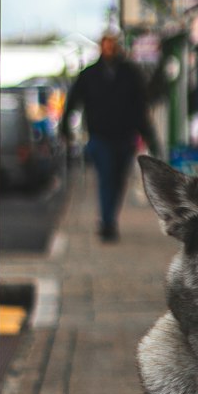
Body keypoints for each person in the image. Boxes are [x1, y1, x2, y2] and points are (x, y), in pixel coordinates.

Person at [61, 33, 158, 241]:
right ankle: (107, 223)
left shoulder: (130, 73)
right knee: (106, 177)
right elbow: (73, 102)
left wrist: (148, 134)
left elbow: (140, 107)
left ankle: (109, 218)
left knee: (119, 179)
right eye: (106, 46)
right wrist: (65, 128)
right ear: (101, 48)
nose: (110, 49)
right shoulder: (90, 74)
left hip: (125, 136)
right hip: (100, 136)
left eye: (113, 46)